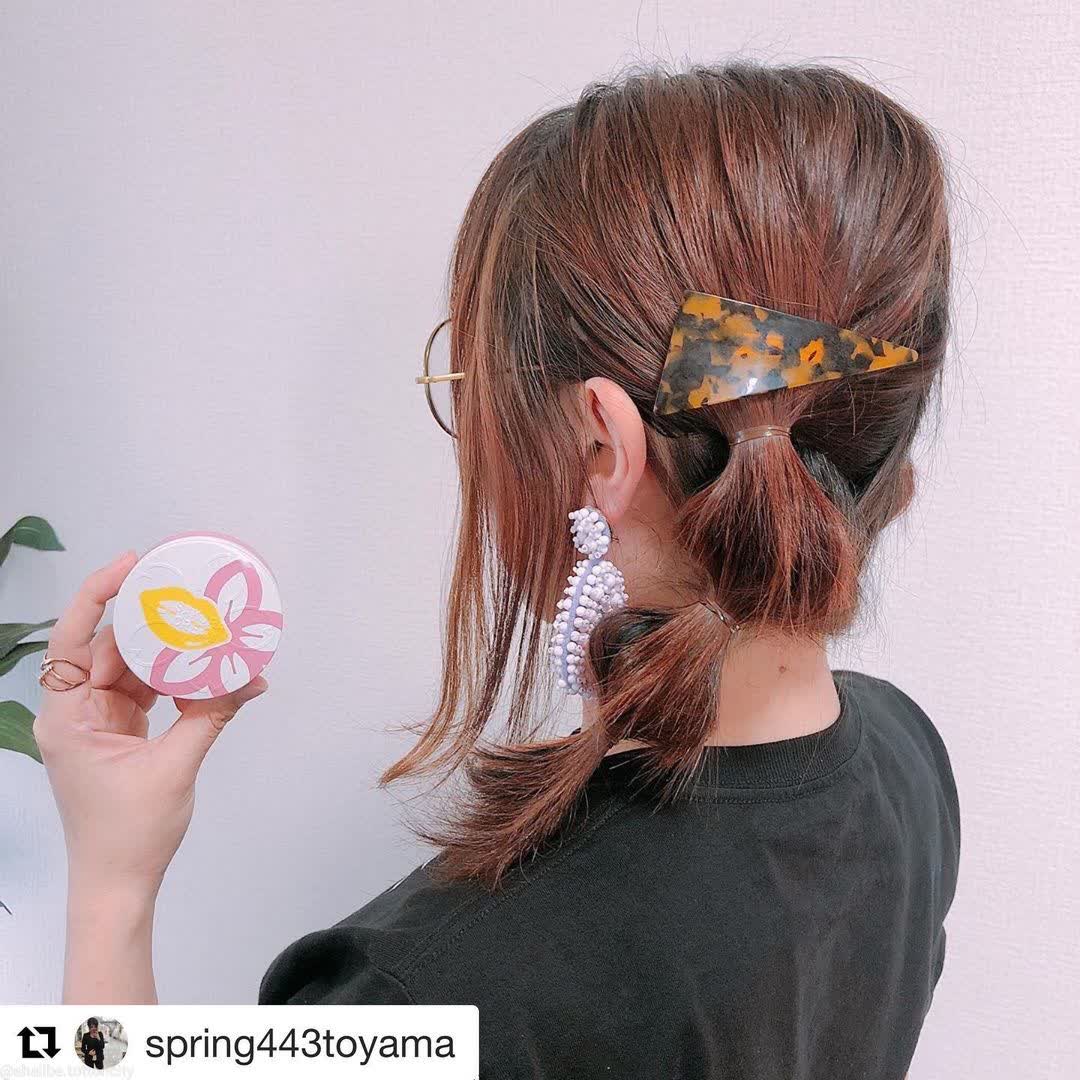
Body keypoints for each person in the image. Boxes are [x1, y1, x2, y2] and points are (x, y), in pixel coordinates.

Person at [35, 62, 960, 1079]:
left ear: (602, 445)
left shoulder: (430, 998)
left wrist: (111, 887)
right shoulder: (907, 764)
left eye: (473, 384)